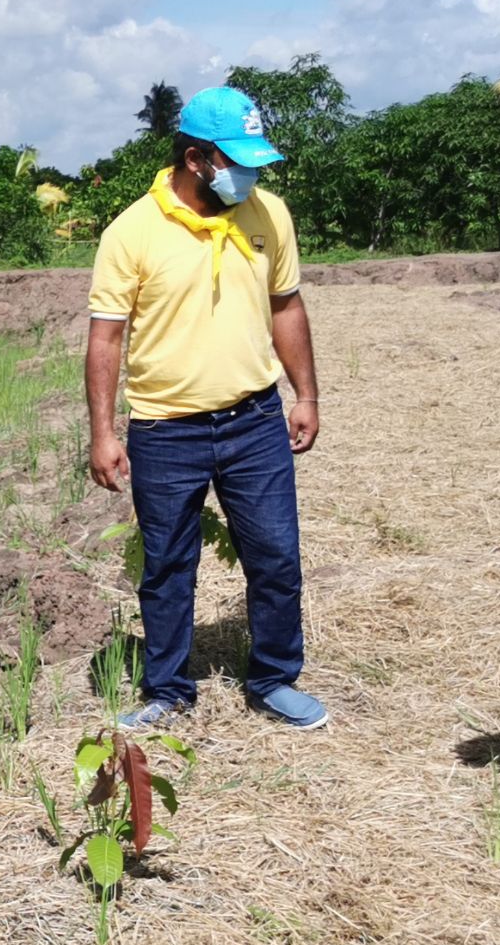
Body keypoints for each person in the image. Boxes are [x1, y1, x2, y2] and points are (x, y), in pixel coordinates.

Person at [85, 85, 325, 731]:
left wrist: (305, 394)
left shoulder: (269, 213)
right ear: (195, 158)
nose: (249, 176)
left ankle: (274, 677)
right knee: (168, 567)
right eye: (236, 162)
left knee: (276, 556)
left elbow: (286, 305)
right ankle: (168, 690)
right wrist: (103, 433)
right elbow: (106, 337)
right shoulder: (133, 232)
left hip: (255, 421)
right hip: (166, 430)